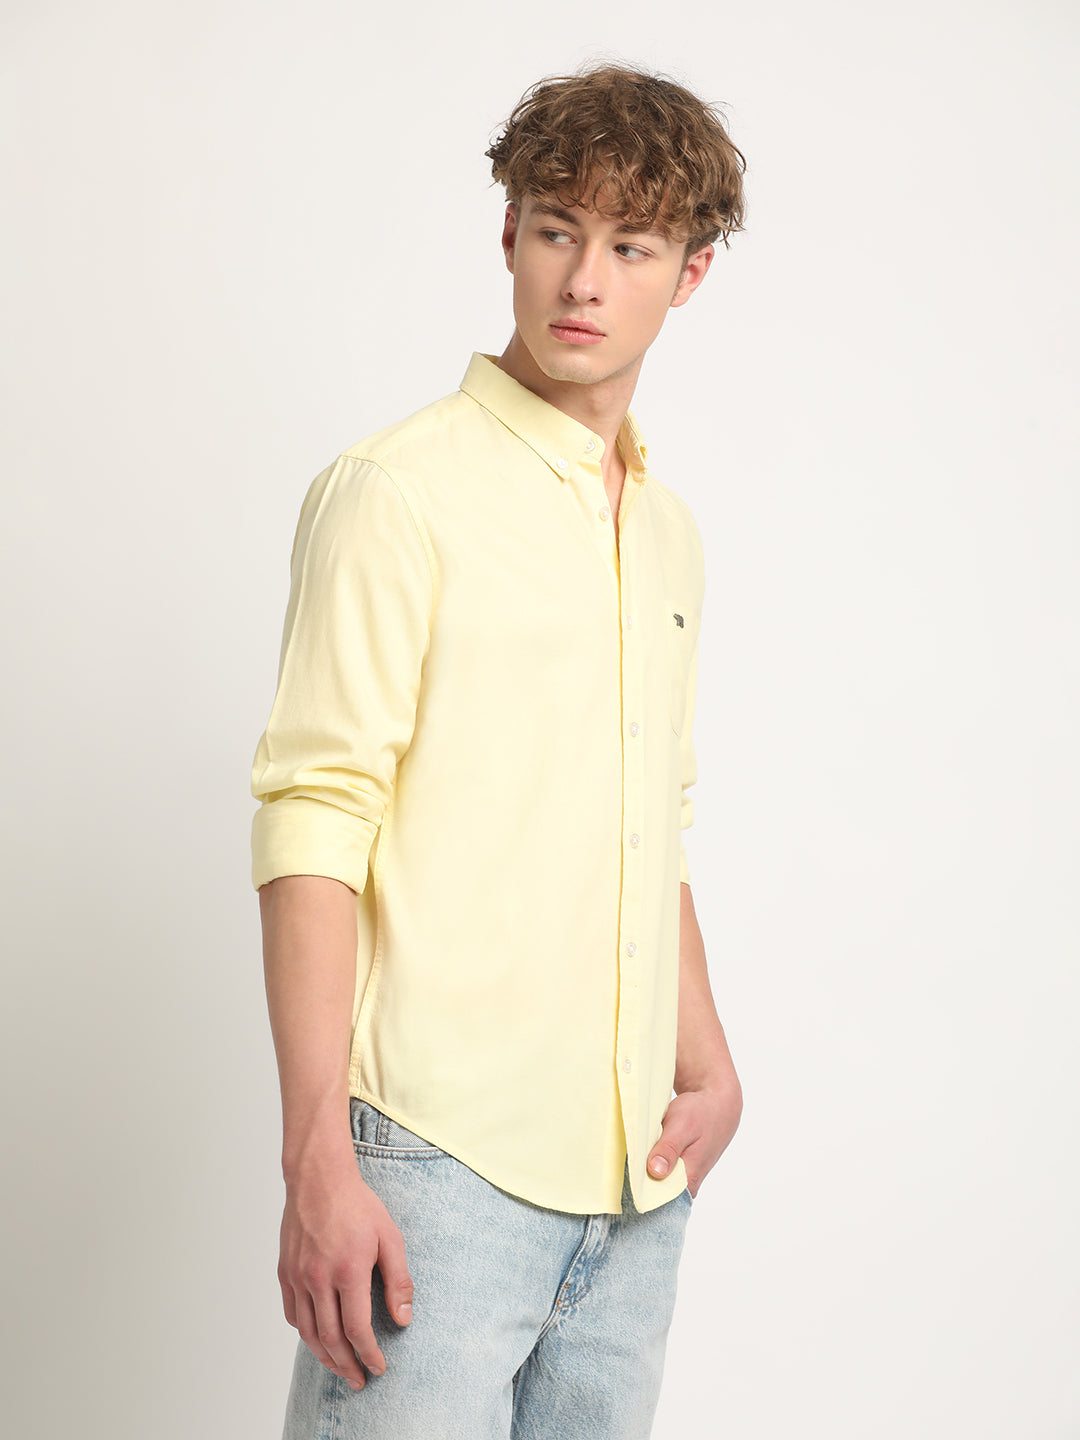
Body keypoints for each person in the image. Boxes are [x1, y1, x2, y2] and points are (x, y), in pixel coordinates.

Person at [251, 60, 746, 1440]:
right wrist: (318, 1160)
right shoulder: (396, 493)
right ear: (510, 235)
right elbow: (313, 819)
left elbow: (650, 815)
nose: (583, 281)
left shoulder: (667, 531)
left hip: (633, 1193)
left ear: (690, 274)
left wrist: (709, 1063)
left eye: (631, 246)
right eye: (555, 230)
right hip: (437, 1170)